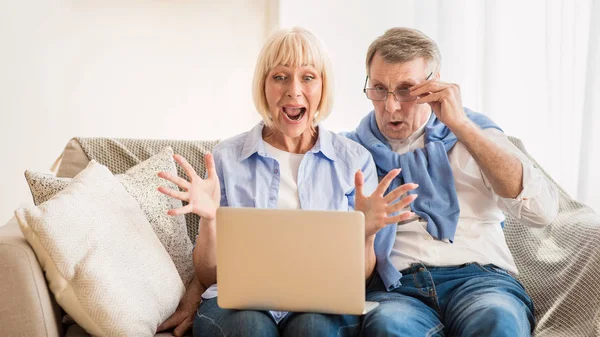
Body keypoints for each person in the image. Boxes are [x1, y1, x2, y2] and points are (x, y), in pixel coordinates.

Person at [156, 27, 418, 337]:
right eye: (280, 77)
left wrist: (366, 234)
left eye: (308, 77)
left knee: (313, 327)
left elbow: (358, 280)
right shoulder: (227, 158)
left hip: (322, 305)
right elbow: (209, 274)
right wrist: (211, 220)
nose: (293, 91)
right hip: (238, 308)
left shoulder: (354, 162)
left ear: (323, 86)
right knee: (250, 325)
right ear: (263, 86)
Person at [344, 27, 560, 337]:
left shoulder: (477, 134)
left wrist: (460, 126)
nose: (390, 106)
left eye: (406, 89)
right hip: (397, 288)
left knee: (498, 320)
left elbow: (542, 212)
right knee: (387, 327)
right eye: (379, 88)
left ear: (433, 85)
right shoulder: (350, 154)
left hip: (481, 280)